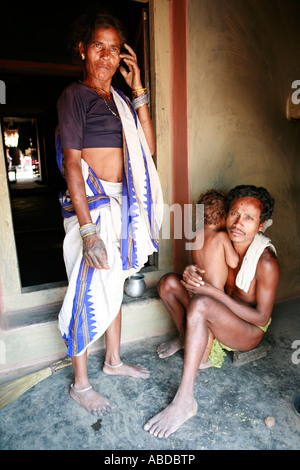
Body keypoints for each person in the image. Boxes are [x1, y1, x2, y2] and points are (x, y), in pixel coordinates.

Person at [56, 11, 163, 416]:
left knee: (114, 283)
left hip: (124, 205)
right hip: (94, 208)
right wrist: (87, 231)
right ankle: (80, 385)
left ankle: (113, 361)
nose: (106, 56)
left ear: (122, 56)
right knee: (86, 290)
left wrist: (138, 91)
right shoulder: (74, 96)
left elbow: (147, 148)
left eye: (114, 48)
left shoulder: (119, 100)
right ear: (83, 49)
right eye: (98, 46)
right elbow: (72, 166)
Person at [144, 185, 279, 438]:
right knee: (168, 283)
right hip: (219, 313)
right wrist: (190, 273)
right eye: (235, 214)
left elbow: (261, 317)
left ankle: (185, 401)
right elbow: (205, 274)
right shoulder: (222, 241)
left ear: (261, 225)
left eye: (249, 218)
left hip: (247, 330)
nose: (238, 223)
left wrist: (214, 293)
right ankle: (187, 338)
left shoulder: (265, 261)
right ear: (225, 215)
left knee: (201, 304)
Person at [156, 189, 239, 368]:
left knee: (201, 315)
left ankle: (187, 341)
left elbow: (196, 264)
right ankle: (201, 360)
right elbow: (233, 262)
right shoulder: (223, 237)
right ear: (224, 217)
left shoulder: (197, 235)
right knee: (207, 324)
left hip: (195, 293)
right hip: (213, 299)